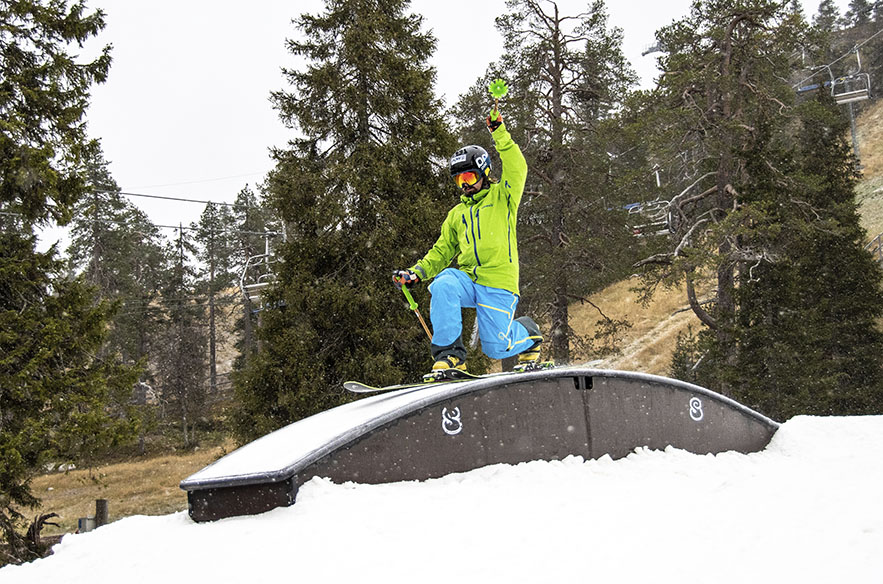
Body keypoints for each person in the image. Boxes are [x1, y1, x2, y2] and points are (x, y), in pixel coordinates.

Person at [393, 108, 543, 375]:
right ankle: (450, 355)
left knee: (496, 348)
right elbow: (441, 251)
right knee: (443, 284)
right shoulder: (457, 214)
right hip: (469, 281)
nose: (464, 185)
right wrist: (416, 273)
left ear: (483, 172)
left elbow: (517, 167)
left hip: (498, 282)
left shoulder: (503, 198)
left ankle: (528, 334)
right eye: (459, 180)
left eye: (469, 177)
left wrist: (499, 132)